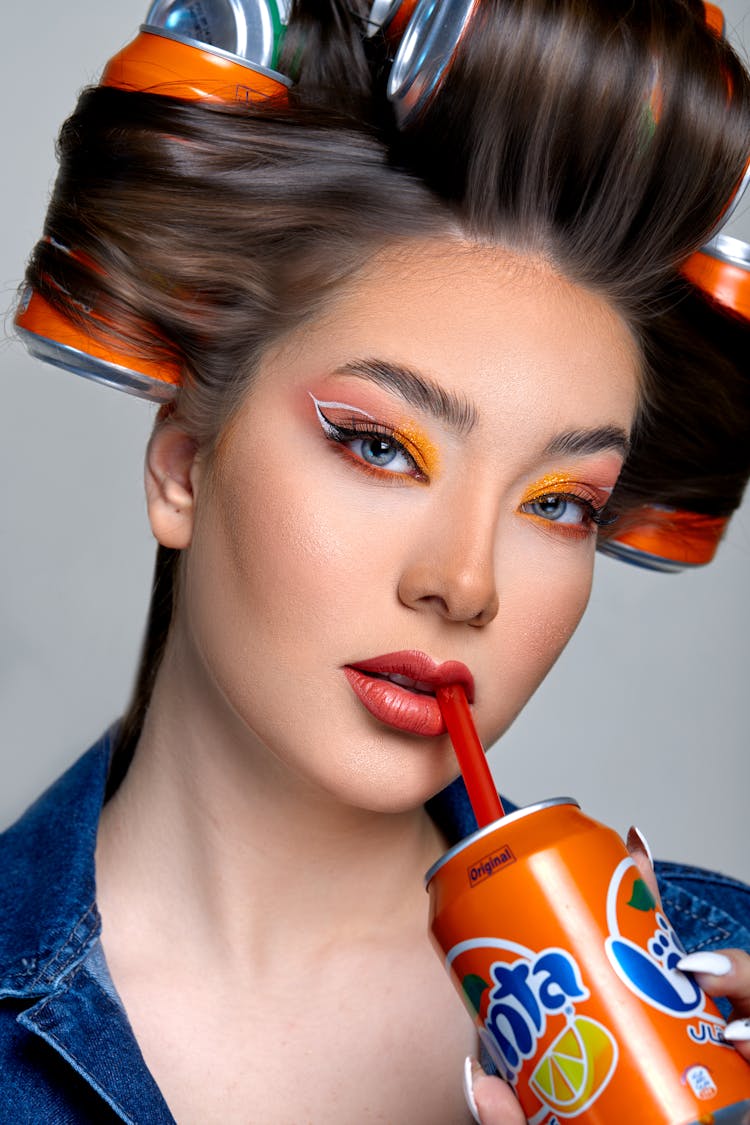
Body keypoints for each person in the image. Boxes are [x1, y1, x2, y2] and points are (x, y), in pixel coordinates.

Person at [2, 0, 750, 1121]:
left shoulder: (719, 997)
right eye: (380, 445)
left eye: (558, 503)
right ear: (183, 467)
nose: (466, 581)